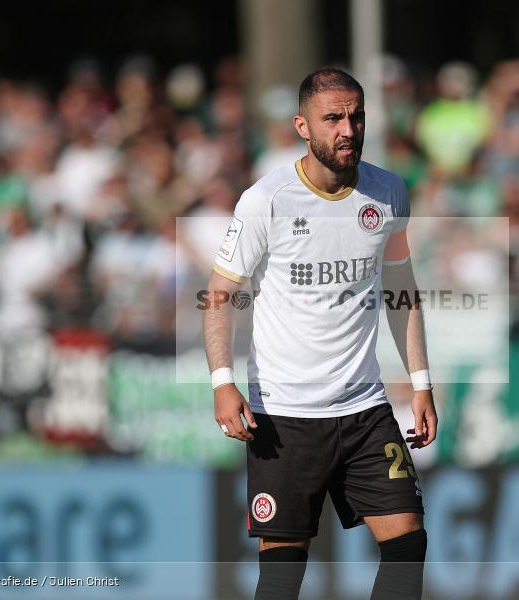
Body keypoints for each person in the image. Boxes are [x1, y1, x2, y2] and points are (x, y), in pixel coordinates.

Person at [203, 68, 437, 600]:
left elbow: (401, 291)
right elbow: (220, 295)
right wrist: (222, 382)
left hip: (364, 409)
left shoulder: (389, 191)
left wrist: (420, 382)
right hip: (284, 417)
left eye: (356, 117)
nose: (348, 129)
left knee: (408, 546)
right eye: (333, 118)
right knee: (282, 579)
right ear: (302, 127)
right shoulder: (267, 200)